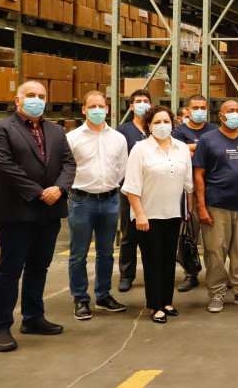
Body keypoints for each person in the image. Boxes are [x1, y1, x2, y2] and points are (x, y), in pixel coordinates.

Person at [0, 81, 76, 352]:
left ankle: (33, 318)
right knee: (10, 270)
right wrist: (38, 192)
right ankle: (0, 326)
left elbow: (69, 164)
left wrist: (59, 189)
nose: (37, 100)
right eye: (31, 95)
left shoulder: (57, 131)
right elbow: (3, 166)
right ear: (18, 99)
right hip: (16, 211)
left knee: (39, 267)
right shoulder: (0, 128)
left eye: (41, 96)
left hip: (49, 211)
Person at [194, 100, 238, 313]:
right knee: (215, 251)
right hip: (216, 205)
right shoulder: (208, 140)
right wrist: (201, 206)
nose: (235, 114)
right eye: (230, 111)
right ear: (221, 115)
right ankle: (216, 292)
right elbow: (198, 174)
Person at [122, 106, 194, 323]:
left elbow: (187, 185)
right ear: (149, 125)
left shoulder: (181, 148)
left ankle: (167, 301)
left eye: (166, 121)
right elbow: (132, 187)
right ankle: (155, 305)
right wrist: (140, 214)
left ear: (173, 123)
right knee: (152, 260)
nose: (162, 125)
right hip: (148, 215)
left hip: (173, 213)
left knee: (168, 259)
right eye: (157, 122)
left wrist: (186, 211)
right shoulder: (140, 150)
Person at [65, 90, 129, 320]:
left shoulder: (118, 138)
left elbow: (122, 168)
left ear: (107, 109)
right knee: (78, 254)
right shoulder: (72, 138)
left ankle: (103, 295)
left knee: (106, 252)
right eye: (92, 106)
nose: (97, 110)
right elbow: (66, 168)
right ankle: (81, 299)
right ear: (84, 110)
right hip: (82, 200)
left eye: (101, 106)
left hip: (111, 199)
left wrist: (112, 188)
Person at [170, 94, 219, 292]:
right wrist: (205, 149)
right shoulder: (178, 131)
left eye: (203, 107)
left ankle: (216, 275)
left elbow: (217, 154)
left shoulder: (215, 129)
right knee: (189, 234)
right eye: (195, 107)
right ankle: (190, 274)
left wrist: (192, 150)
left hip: (212, 189)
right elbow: (179, 152)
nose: (199, 110)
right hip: (187, 190)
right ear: (188, 110)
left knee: (214, 239)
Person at [116, 88, 151, 292]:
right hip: (129, 189)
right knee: (128, 234)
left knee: (152, 234)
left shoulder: (156, 127)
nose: (142, 104)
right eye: (138, 101)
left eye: (146, 101)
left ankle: (152, 273)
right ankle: (127, 274)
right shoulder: (123, 131)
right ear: (131, 106)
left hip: (153, 189)